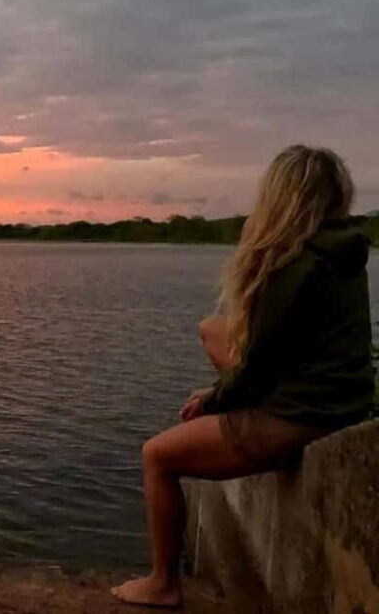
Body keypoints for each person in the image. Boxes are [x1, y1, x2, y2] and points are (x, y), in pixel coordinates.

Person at [112, 145, 375, 609]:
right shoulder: (345, 250)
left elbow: (259, 369)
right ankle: (244, 429)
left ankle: (162, 583)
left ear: (280, 196)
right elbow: (268, 350)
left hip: (304, 411)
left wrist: (213, 399)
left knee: (157, 456)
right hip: (340, 398)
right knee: (213, 328)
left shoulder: (294, 262)